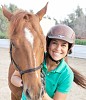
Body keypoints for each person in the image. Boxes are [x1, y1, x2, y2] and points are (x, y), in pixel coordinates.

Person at [11, 24, 86, 100]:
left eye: (63, 45)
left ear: (68, 49)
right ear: (48, 45)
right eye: (54, 43)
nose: (58, 48)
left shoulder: (67, 75)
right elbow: (14, 77)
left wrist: (40, 91)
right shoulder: (35, 59)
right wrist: (24, 83)